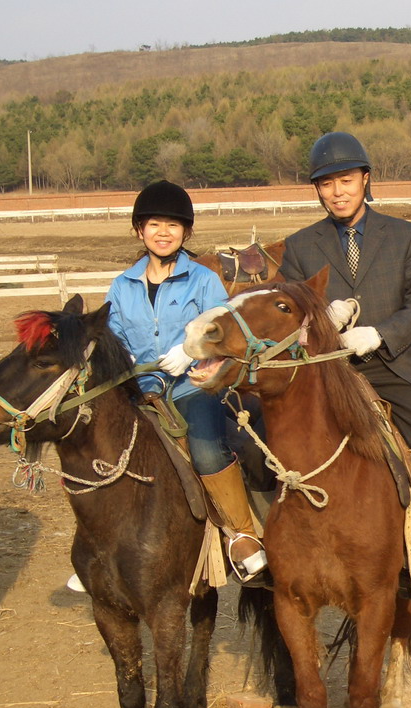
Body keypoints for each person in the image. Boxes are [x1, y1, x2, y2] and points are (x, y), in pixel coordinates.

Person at [279, 132, 411, 603]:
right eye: (326, 184)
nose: (337, 191)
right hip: (328, 370)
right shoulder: (299, 247)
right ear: (316, 190)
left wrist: (379, 333)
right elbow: (286, 312)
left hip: (395, 364)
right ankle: (270, 549)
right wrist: (320, 320)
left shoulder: (403, 236)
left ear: (364, 180)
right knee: (267, 450)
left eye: (345, 180)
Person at [104, 180, 268, 584]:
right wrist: (125, 363)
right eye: (154, 223)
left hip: (197, 384)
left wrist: (191, 352)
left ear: (186, 232)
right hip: (140, 387)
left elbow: (218, 330)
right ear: (139, 230)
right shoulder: (122, 285)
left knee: (208, 451)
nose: (164, 232)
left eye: (173, 225)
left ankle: (243, 533)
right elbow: (114, 336)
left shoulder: (203, 280)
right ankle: (106, 541)